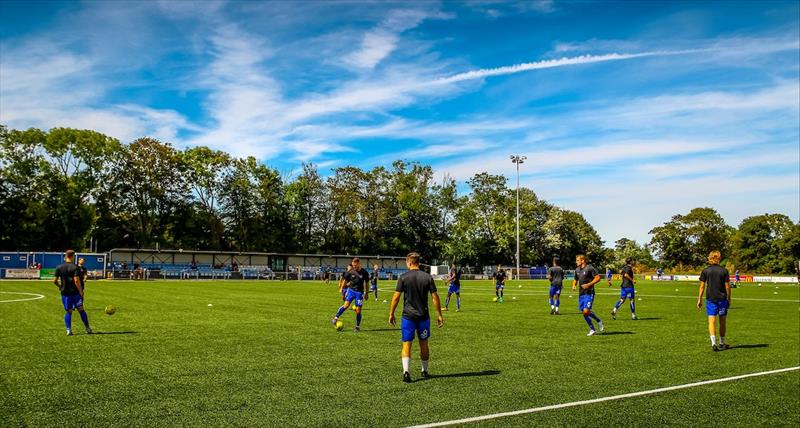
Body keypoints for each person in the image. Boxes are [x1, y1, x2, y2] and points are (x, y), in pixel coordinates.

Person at [389, 252, 444, 383]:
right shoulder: (427, 277)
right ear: (418, 262)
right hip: (423, 316)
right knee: (424, 344)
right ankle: (424, 370)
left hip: (408, 317)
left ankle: (406, 372)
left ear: (409, 262)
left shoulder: (403, 277)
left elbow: (396, 297)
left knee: (406, 344)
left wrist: (391, 313)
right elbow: (435, 297)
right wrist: (439, 315)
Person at [697, 251, 731, 352]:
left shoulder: (705, 271)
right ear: (719, 258)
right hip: (722, 298)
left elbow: (702, 286)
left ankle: (713, 343)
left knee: (711, 321)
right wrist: (729, 298)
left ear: (710, 258)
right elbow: (727, 286)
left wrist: (699, 299)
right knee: (722, 321)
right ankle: (722, 342)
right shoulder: (724, 271)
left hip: (710, 298)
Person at [54, 250, 92, 335]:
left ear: (65, 256)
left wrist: (60, 286)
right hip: (75, 293)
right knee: (81, 310)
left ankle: (68, 330)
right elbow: (76, 281)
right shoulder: (75, 267)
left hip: (65, 293)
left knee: (69, 311)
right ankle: (87, 328)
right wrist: (81, 291)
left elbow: (54, 281)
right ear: (73, 256)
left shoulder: (59, 267)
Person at [332, 258, 370, 332]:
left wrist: (367, 293)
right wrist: (342, 288)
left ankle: (357, 326)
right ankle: (336, 317)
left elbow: (367, 283)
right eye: (353, 265)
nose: (354, 267)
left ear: (359, 263)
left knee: (358, 310)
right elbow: (345, 280)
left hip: (359, 292)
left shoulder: (364, 272)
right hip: (351, 291)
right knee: (346, 305)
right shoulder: (351, 271)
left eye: (355, 265)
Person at [572, 254, 604, 336]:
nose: (576, 262)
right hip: (581, 294)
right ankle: (593, 329)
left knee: (586, 311)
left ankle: (598, 322)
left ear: (582, 260)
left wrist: (589, 284)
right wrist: (574, 285)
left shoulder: (590, 268)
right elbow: (575, 279)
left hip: (589, 293)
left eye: (577, 260)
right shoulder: (577, 270)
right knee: (585, 312)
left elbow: (598, 278)